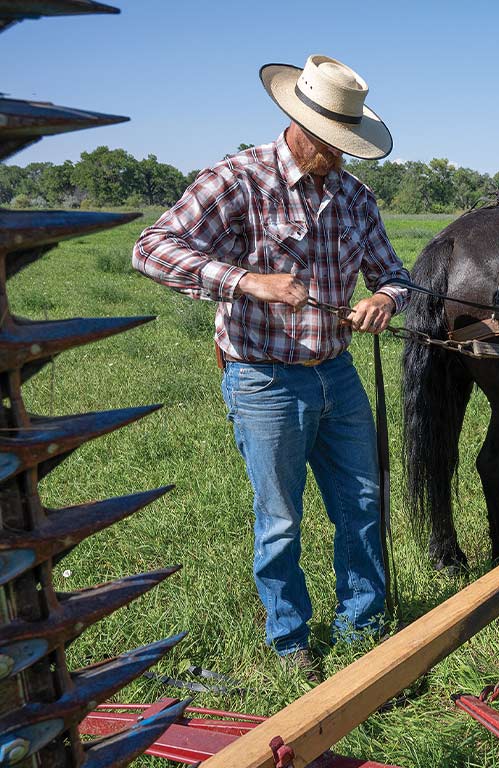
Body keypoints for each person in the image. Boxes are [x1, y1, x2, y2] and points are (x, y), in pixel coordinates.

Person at [133, 54, 410, 683]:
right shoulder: (237, 179)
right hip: (263, 379)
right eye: (332, 147)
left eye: (348, 147)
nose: (340, 160)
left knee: (363, 503)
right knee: (282, 519)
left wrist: (382, 300)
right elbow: (150, 248)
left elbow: (395, 275)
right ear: (300, 125)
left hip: (336, 374)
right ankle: (290, 640)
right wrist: (245, 280)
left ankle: (361, 627)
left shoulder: (353, 195)